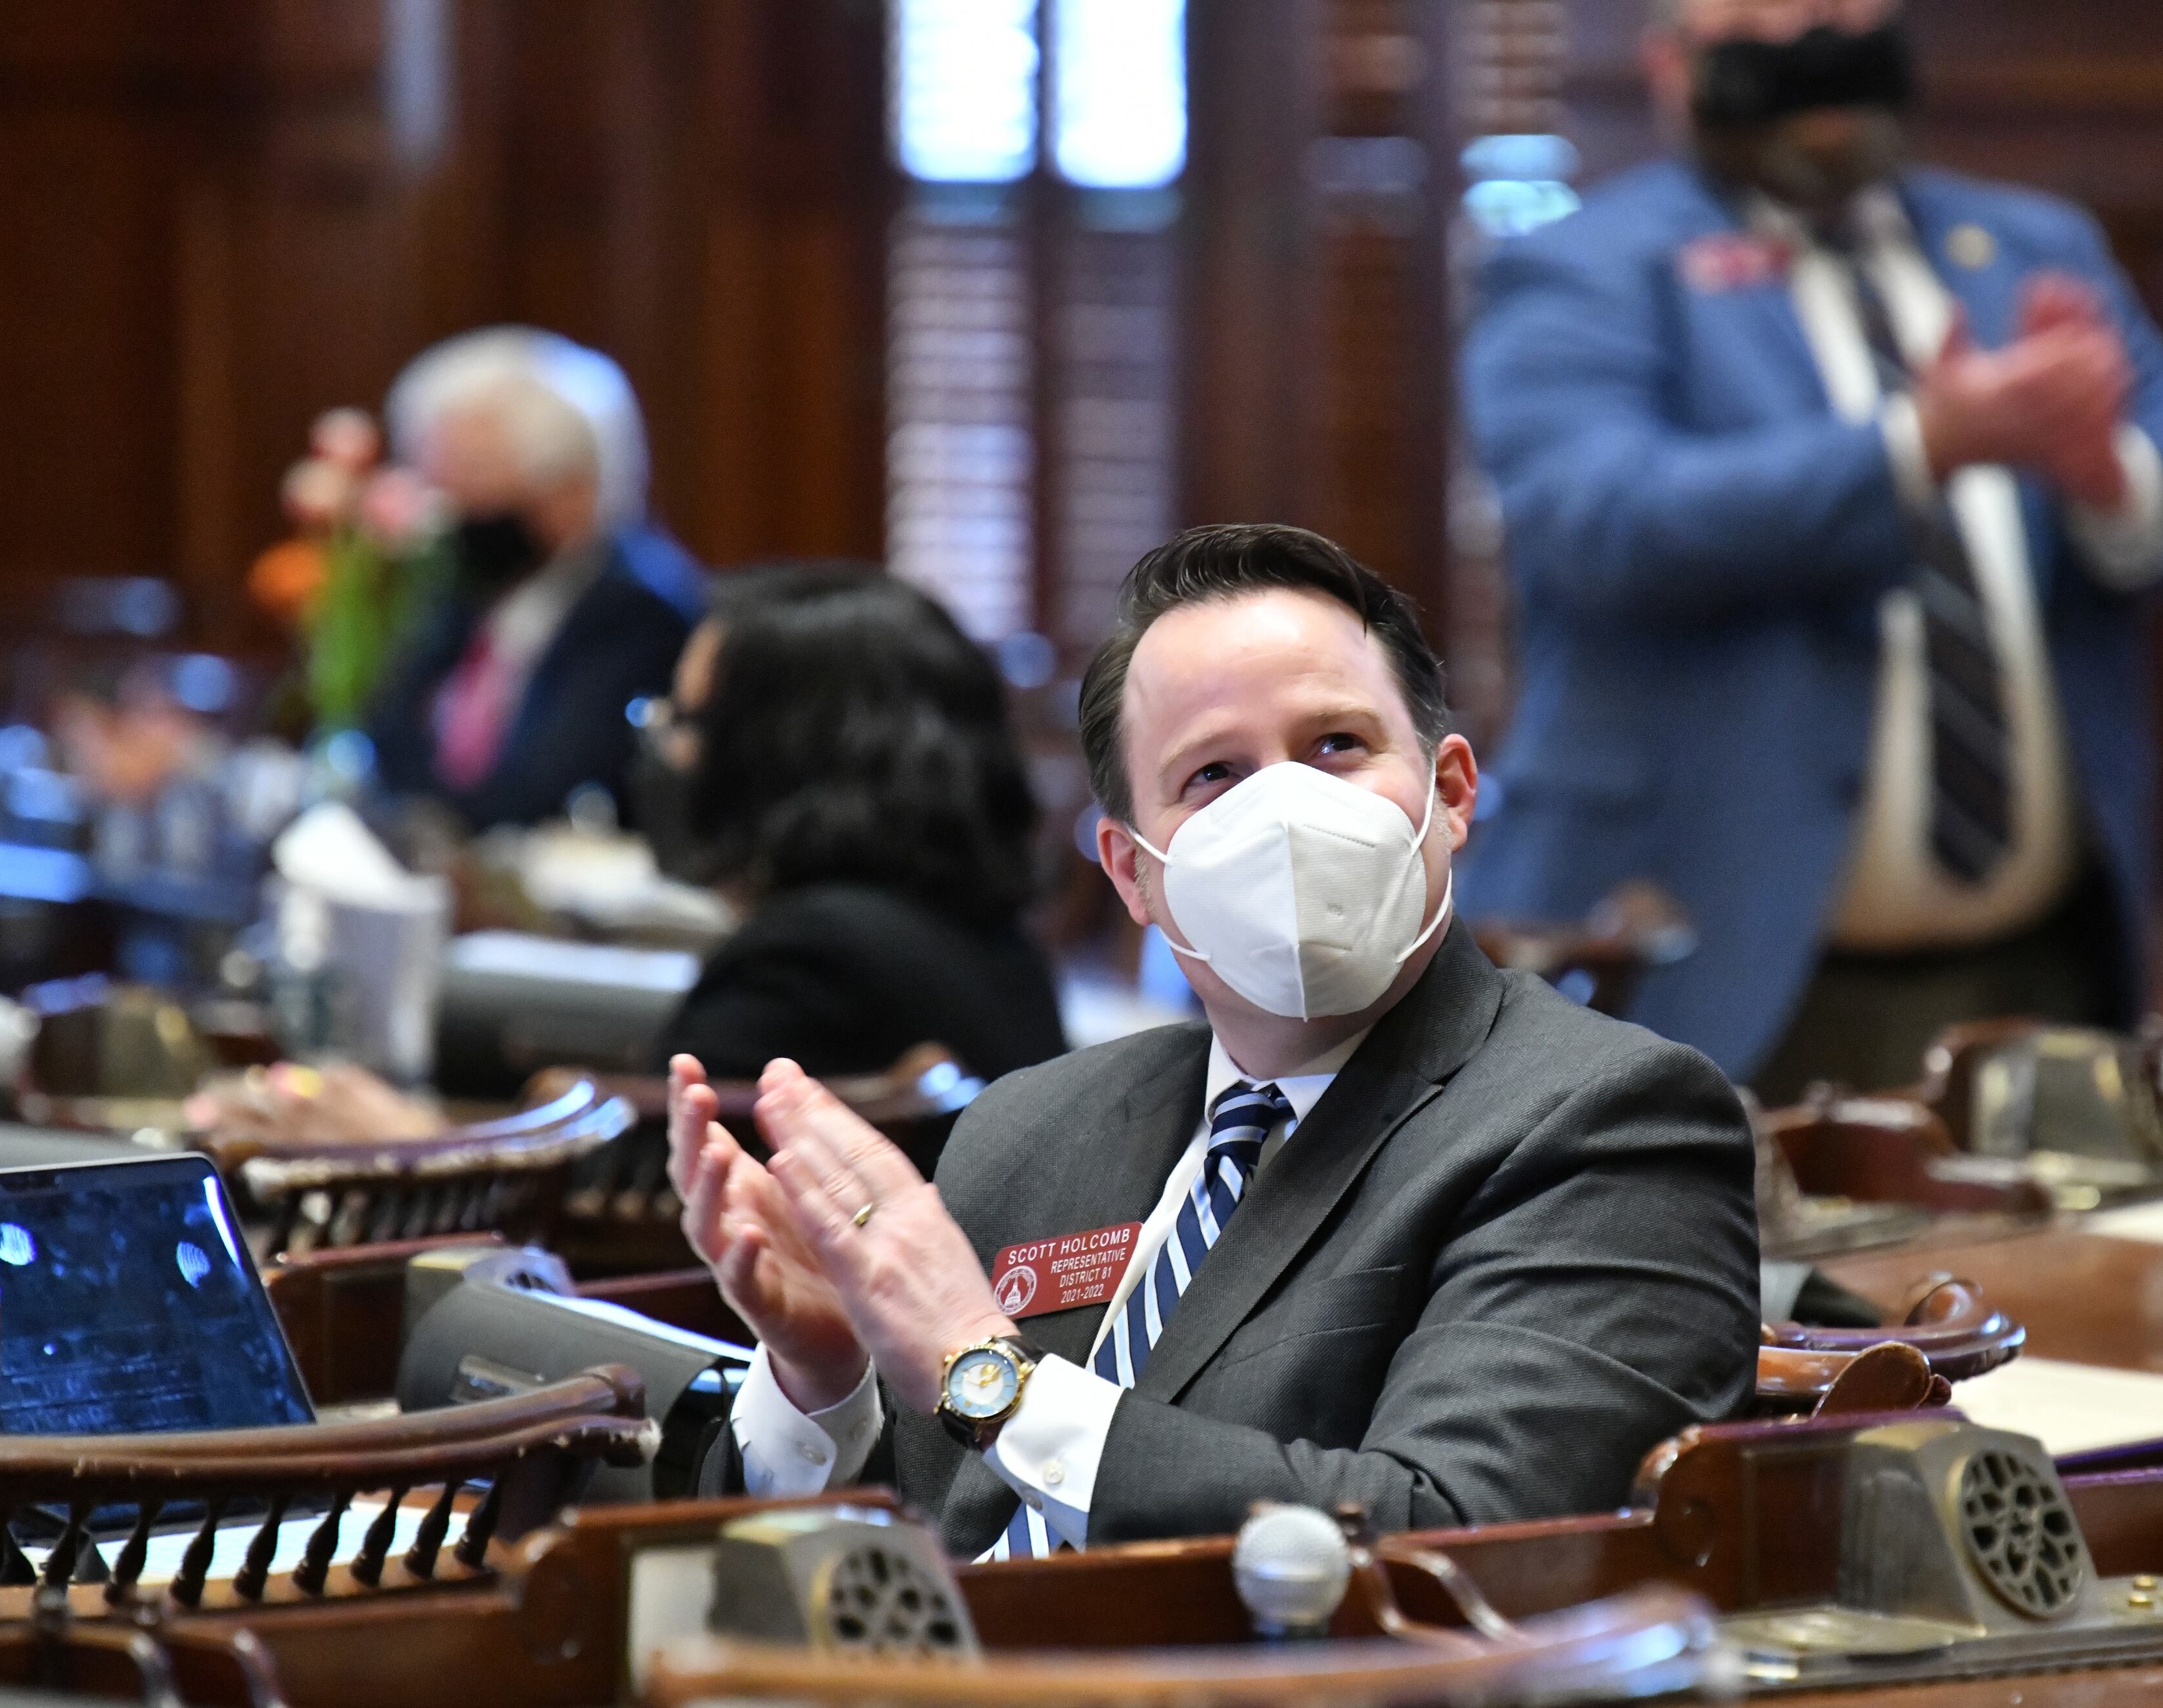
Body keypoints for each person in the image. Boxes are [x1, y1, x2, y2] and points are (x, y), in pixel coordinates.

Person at [665, 524, 1760, 1558]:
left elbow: (1462, 1531)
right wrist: (827, 1375)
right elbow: (863, 1559)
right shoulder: (1029, 1125)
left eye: (1336, 745)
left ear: (1451, 790)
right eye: (1214, 775)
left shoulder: (1606, 1118)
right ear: (1133, 869)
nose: (1284, 807)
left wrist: (985, 1370)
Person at [1456, 0, 2163, 1101]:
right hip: (1708, 970)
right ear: (1671, 68)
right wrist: (1918, 448)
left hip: (2037, 971)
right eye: (1766, 41)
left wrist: (2107, 473)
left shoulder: (2027, 248)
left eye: (1846, 38)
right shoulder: (1586, 268)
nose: (1819, 87)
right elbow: (1599, 519)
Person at [641, 563, 1068, 1086]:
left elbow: (656, 1159)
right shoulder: (1006, 951)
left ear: (777, 752)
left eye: (688, 722)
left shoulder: (799, 961)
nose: (670, 752)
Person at [365, 327, 707, 831]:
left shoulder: (637, 610)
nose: (444, 511)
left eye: (472, 479)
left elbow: (539, 794)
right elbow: (386, 741)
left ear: (572, 487)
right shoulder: (468, 597)